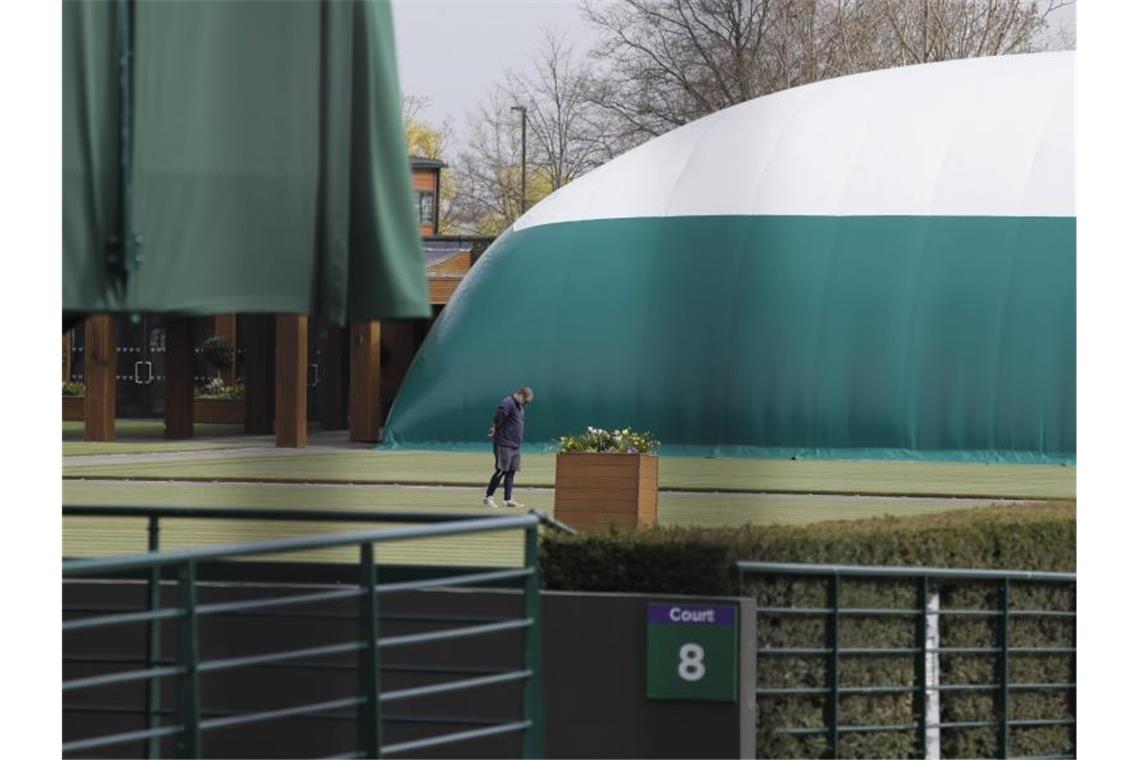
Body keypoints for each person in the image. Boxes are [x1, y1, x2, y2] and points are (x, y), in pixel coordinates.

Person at [484, 387, 534, 508]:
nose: (526, 404)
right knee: (501, 470)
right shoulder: (508, 402)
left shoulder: (519, 406)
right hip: (504, 443)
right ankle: (488, 497)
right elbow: (498, 417)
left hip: (515, 445)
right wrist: (494, 428)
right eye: (526, 401)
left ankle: (508, 499)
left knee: (511, 472)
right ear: (521, 395)